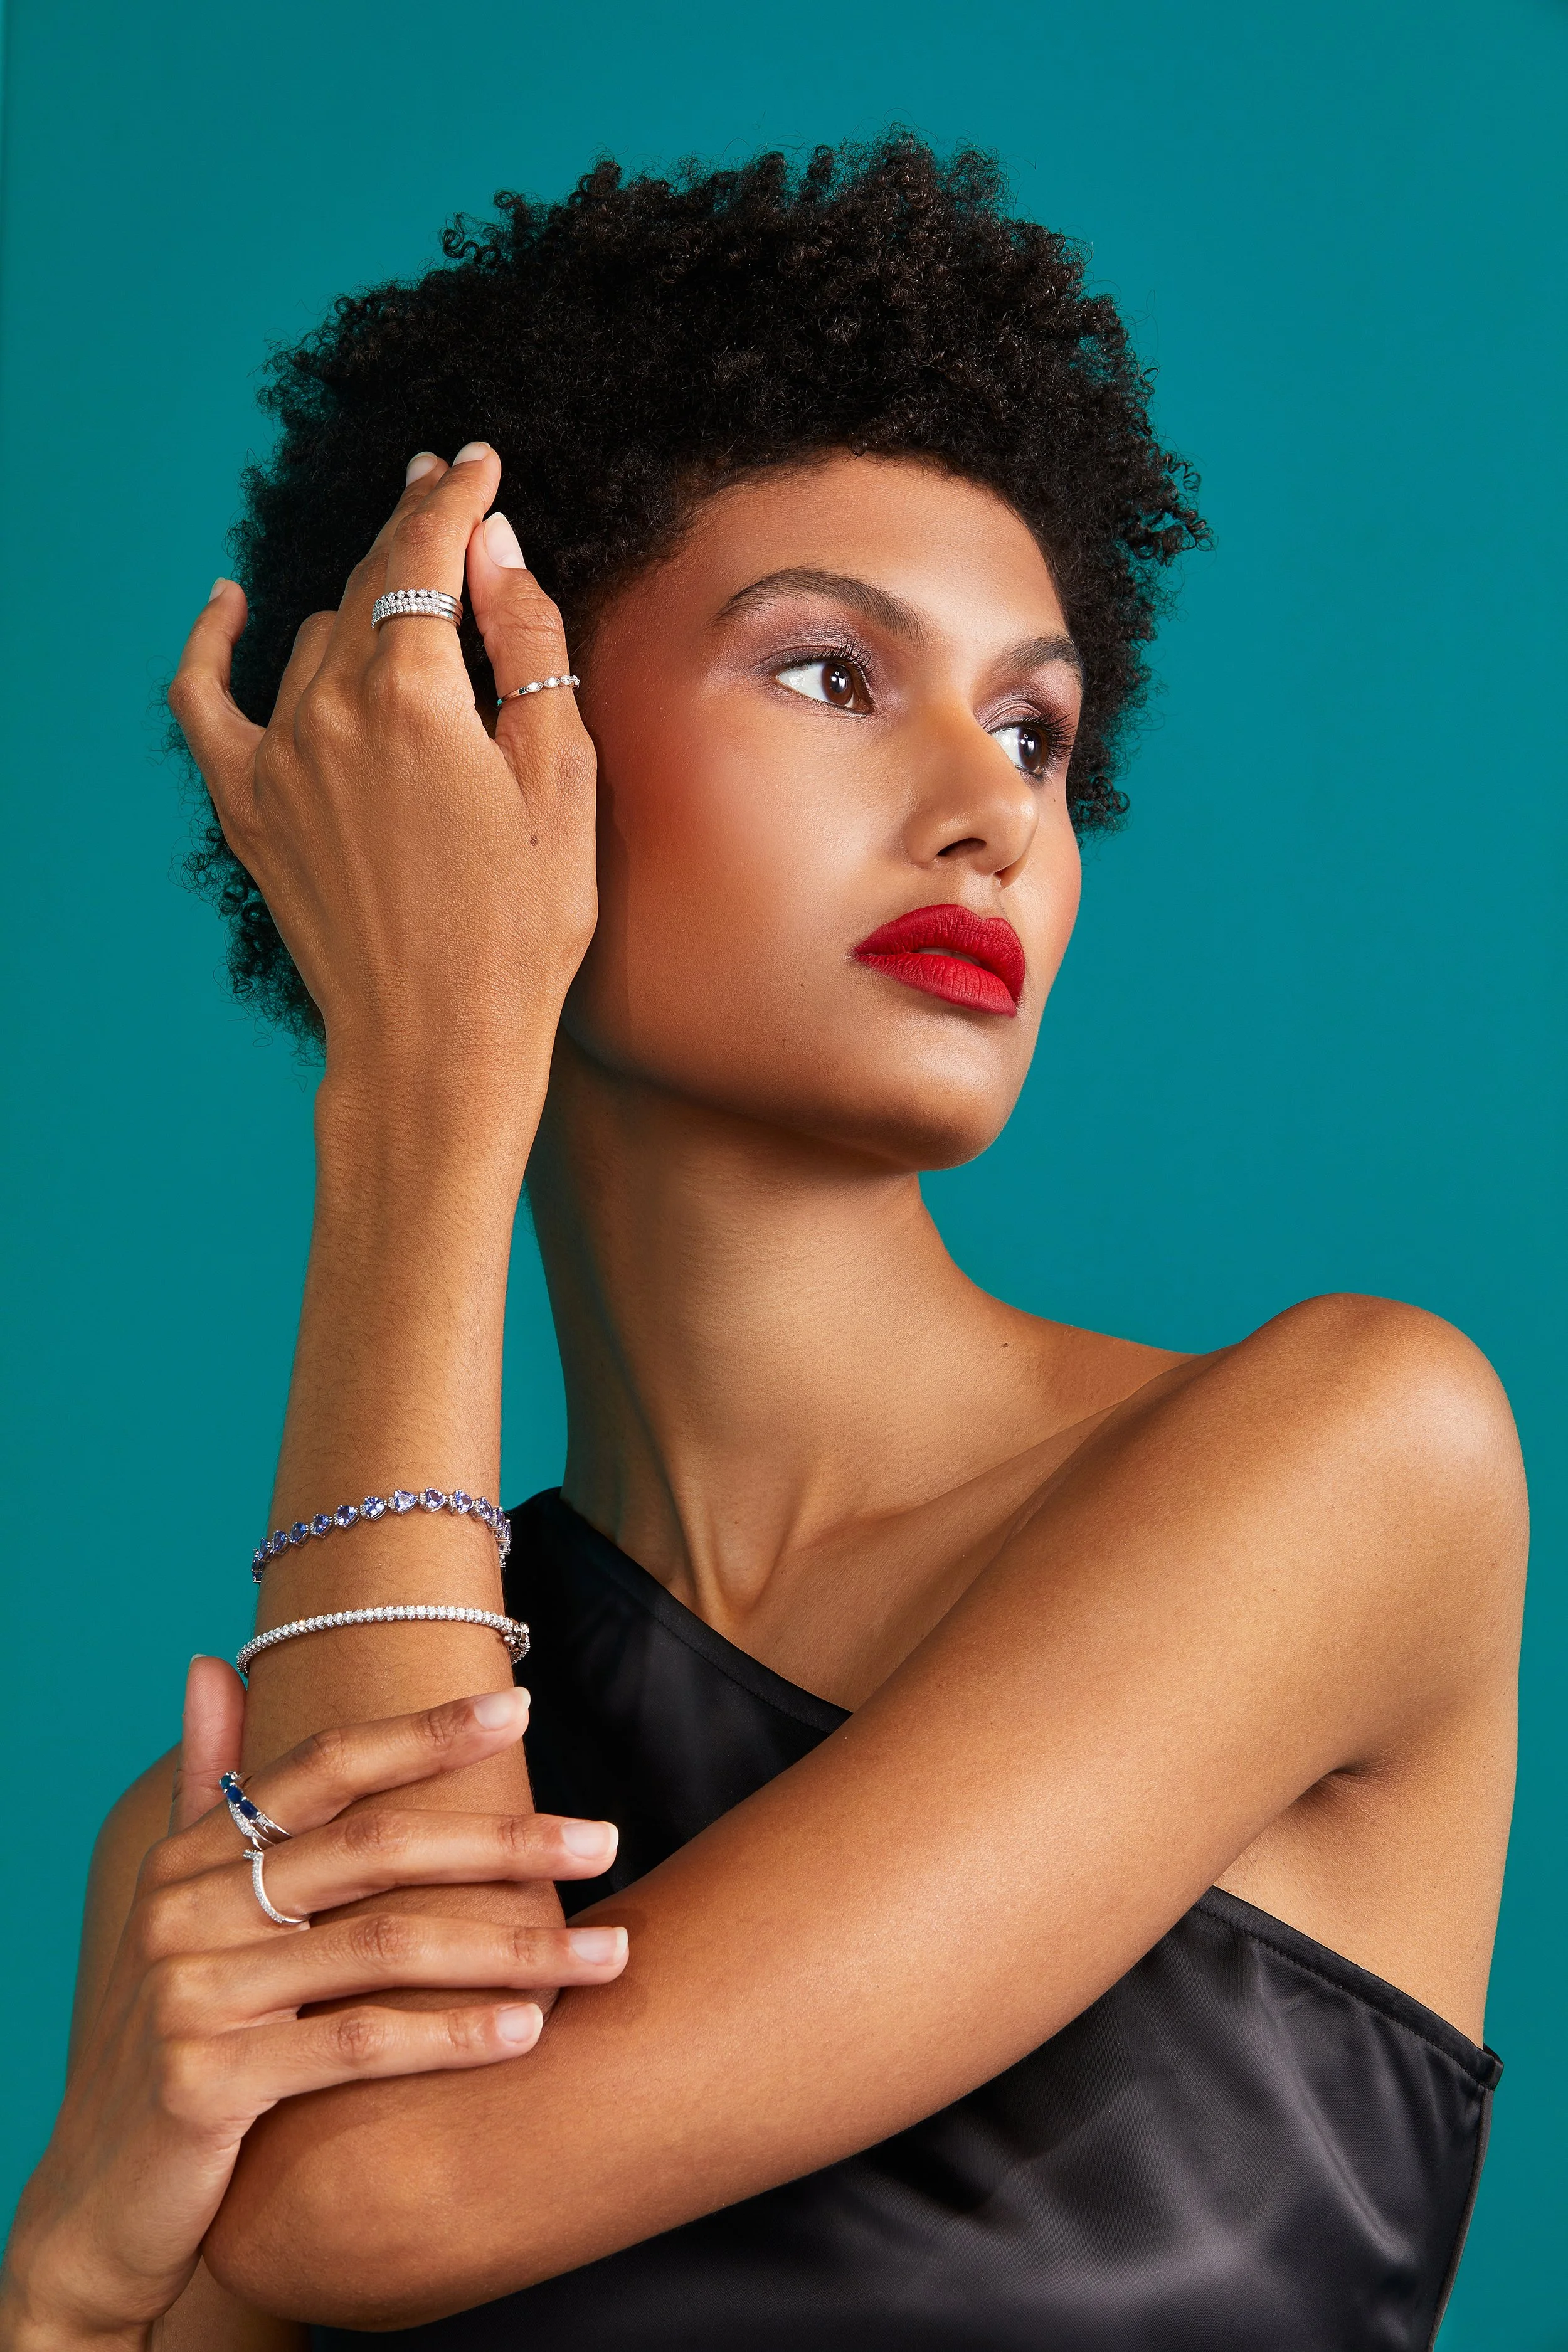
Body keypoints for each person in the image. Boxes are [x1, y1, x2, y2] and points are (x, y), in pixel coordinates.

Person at [0, 140, 1525, 2351]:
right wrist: (64, 2274)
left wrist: (427, 1080)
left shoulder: (1351, 1461)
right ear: (478, 743)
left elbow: (377, 2189)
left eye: (1035, 724)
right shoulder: (248, 1787)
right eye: (829, 673)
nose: (993, 804)